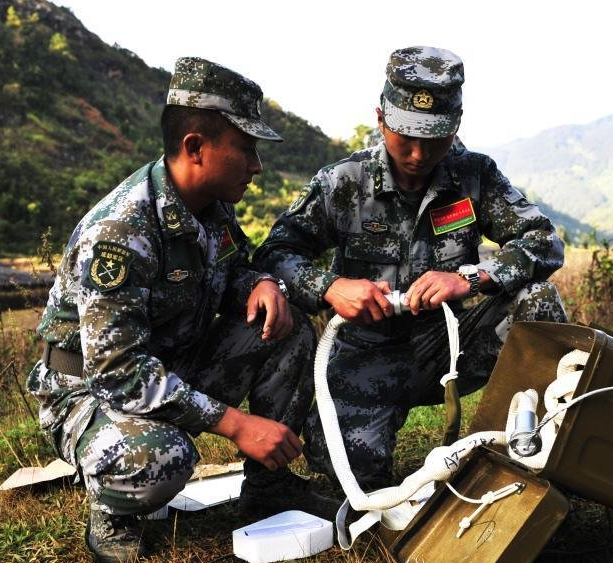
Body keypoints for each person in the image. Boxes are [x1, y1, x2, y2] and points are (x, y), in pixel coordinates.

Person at [27, 57, 334, 563]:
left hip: (170, 365)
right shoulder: (121, 233)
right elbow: (119, 374)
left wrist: (259, 284)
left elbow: (231, 269)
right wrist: (237, 424)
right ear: (195, 147)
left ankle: (269, 489)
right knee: (162, 458)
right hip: (89, 392)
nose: (256, 166)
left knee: (287, 328)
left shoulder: (211, 206)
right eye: (246, 149)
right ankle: (114, 514)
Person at [254, 46, 568, 489]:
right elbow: (275, 254)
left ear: (456, 125)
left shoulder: (473, 175)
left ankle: (522, 449)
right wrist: (331, 287)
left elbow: (544, 241)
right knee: (348, 470)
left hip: (453, 342)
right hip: (367, 352)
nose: (419, 154)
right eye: (406, 136)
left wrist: (469, 278)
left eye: (434, 138)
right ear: (381, 118)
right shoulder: (344, 182)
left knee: (536, 301)